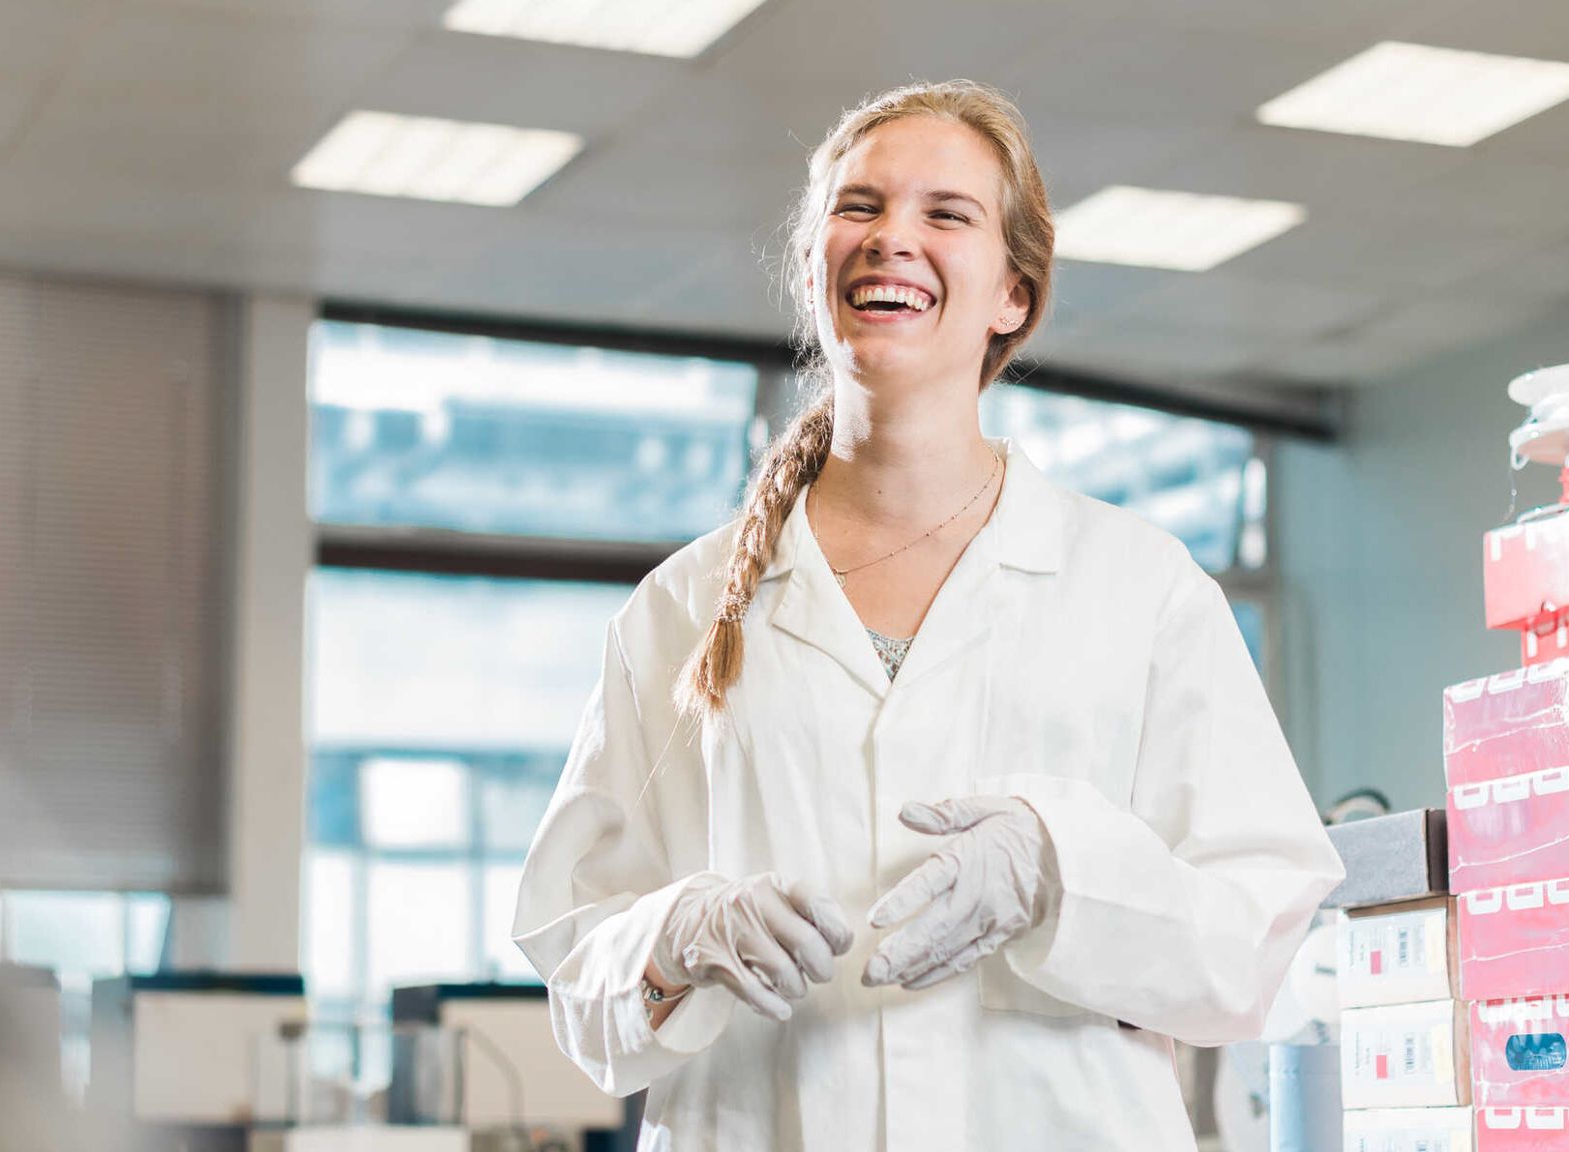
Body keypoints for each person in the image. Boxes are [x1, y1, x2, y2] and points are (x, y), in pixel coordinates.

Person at [510, 80, 1344, 1151]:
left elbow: (1254, 940)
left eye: (944, 214)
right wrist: (678, 936)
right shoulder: (679, 608)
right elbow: (577, 977)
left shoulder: (1137, 588)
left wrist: (1059, 870)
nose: (890, 239)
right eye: (857, 209)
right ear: (812, 264)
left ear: (1012, 294)